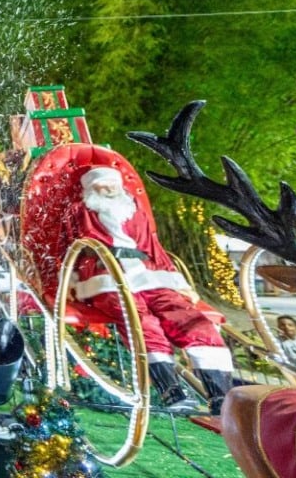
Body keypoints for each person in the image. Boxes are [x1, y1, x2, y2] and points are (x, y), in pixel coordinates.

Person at [67, 166, 235, 413]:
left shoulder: (135, 210)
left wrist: (182, 285)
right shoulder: (80, 212)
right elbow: (69, 247)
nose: (109, 189)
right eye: (102, 185)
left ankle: (221, 396)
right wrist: (70, 281)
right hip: (107, 275)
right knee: (142, 322)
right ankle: (170, 390)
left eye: (113, 183)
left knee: (192, 321)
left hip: (151, 273)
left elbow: (154, 247)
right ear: (91, 189)